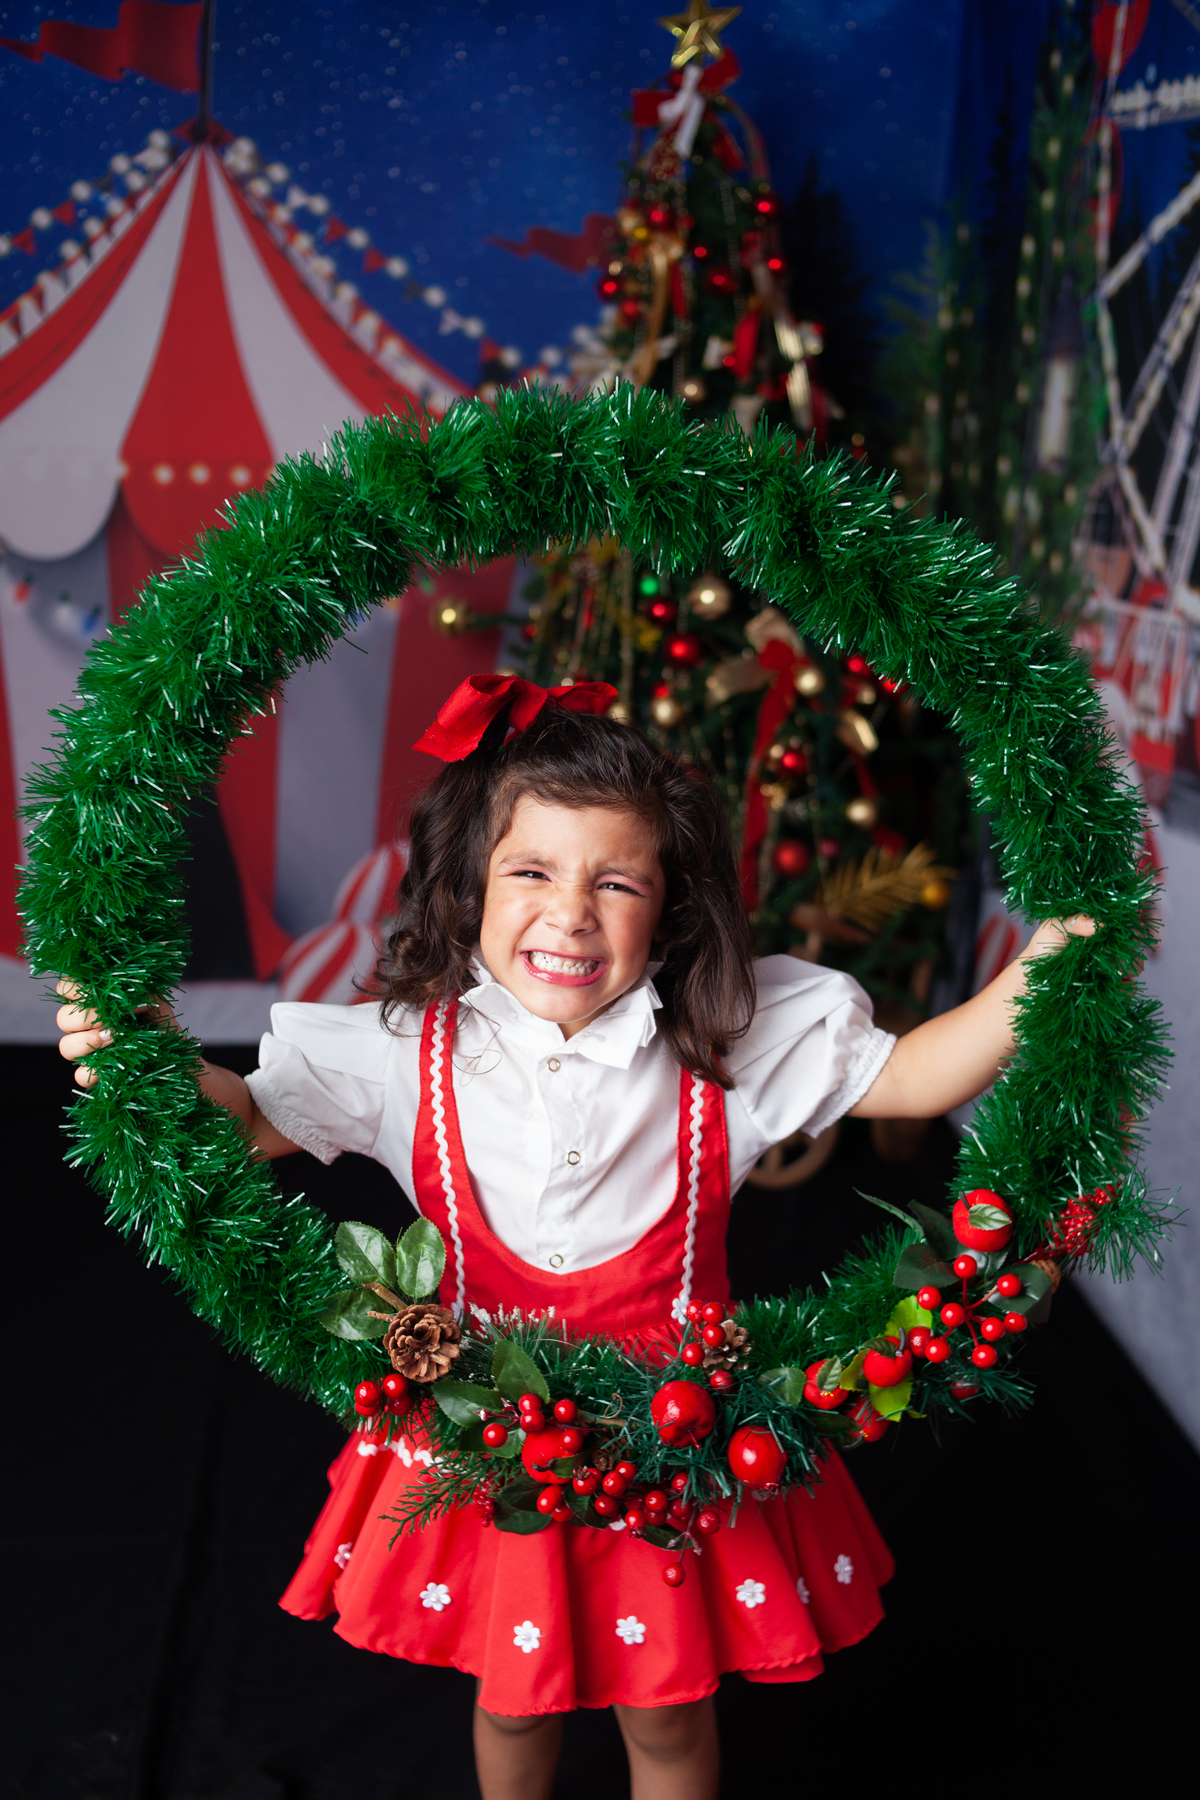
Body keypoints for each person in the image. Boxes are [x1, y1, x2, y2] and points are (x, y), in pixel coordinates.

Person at [57, 673, 1090, 1800]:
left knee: (669, 1719)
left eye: (616, 881)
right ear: (471, 884)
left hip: (676, 1449)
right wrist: (145, 1055)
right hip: (495, 1450)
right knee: (511, 1701)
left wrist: (1049, 965)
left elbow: (913, 1074)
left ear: (672, 905)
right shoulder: (408, 1053)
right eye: (532, 871)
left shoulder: (726, 1049)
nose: (570, 912)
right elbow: (248, 1121)